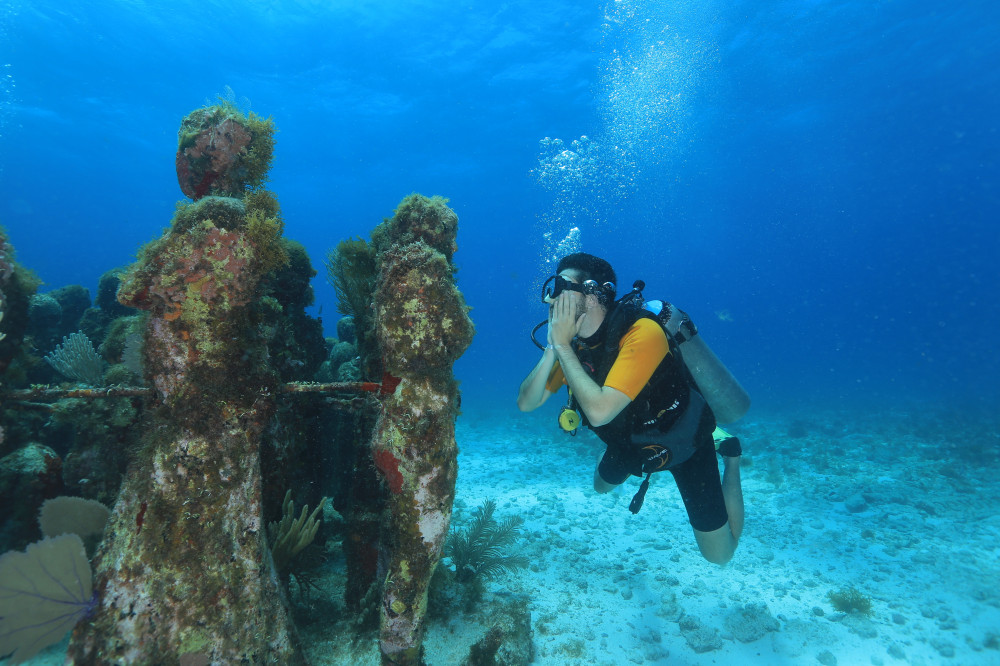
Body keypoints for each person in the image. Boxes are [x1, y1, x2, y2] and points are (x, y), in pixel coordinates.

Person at [517, 253, 747, 565]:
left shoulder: (642, 332)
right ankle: (621, 460)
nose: (550, 297)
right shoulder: (572, 346)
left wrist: (563, 346)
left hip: (684, 440)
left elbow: (598, 412)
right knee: (600, 487)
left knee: (719, 556)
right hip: (629, 444)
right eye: (551, 286)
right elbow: (526, 402)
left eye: (560, 286)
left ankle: (730, 455)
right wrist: (553, 349)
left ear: (595, 292)